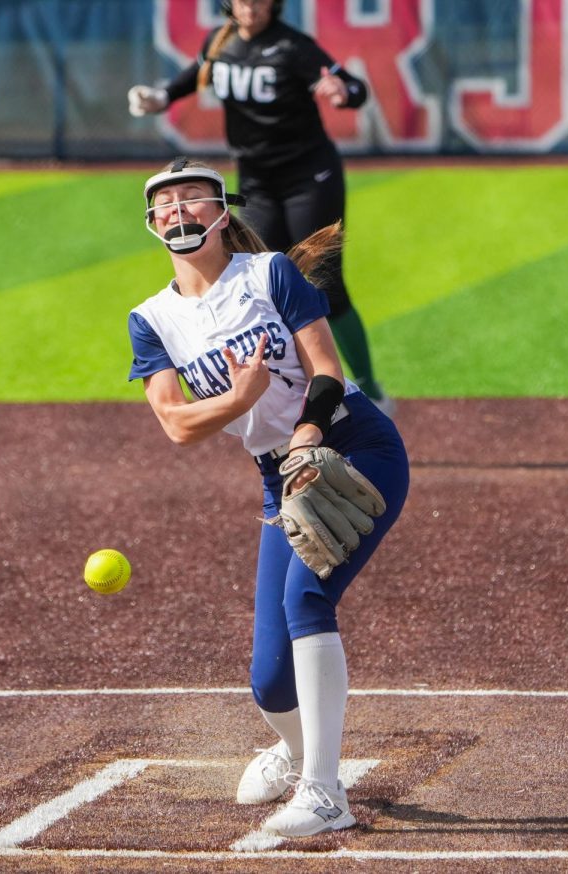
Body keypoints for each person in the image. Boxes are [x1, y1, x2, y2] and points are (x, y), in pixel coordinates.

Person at [127, 158, 409, 837]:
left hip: (351, 445)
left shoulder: (270, 273)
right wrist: (239, 399)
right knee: (268, 681)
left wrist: (309, 432)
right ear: (152, 225)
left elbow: (328, 370)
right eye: (165, 203)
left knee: (304, 599)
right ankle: (294, 751)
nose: (178, 210)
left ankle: (323, 792)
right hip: (275, 474)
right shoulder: (151, 319)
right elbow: (175, 424)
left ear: (221, 213)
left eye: (192, 197)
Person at [129, 0, 395, 416]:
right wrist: (162, 96)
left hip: (309, 175)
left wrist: (344, 92)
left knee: (324, 282)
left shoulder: (292, 47)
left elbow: (353, 87)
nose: (251, 7)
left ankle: (370, 386)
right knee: (253, 278)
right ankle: (284, 381)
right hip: (256, 180)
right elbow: (198, 73)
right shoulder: (222, 42)